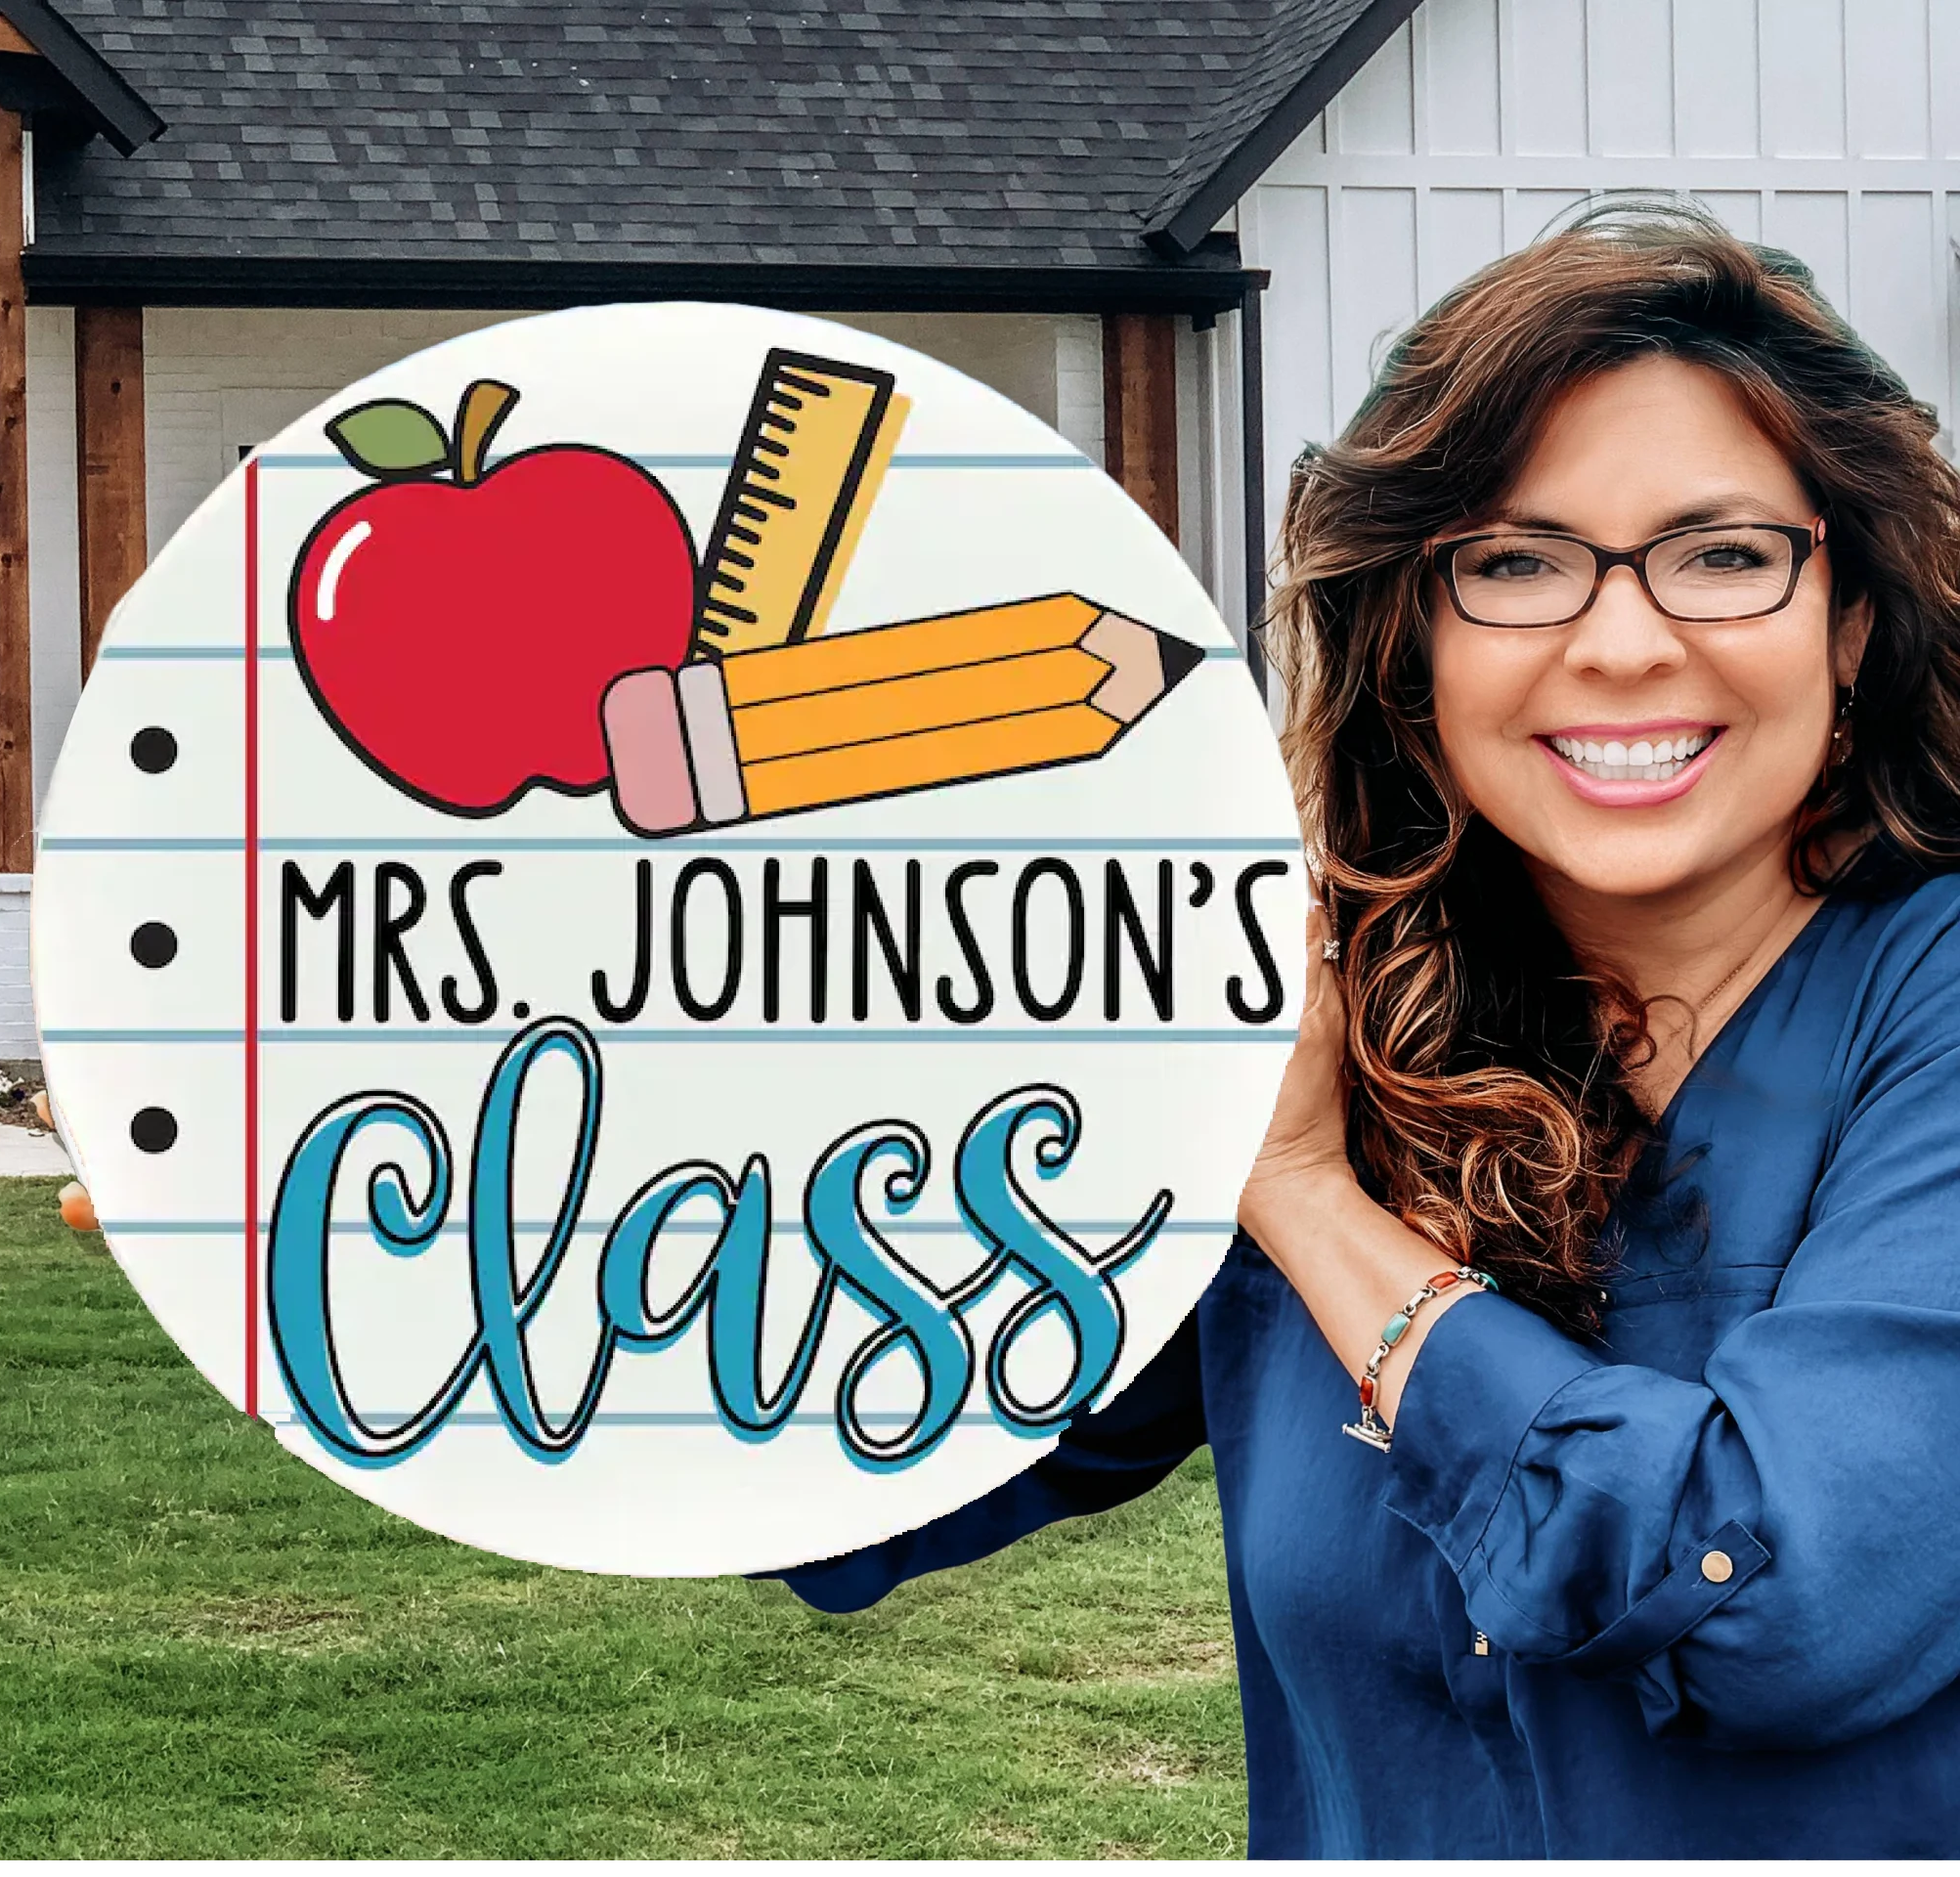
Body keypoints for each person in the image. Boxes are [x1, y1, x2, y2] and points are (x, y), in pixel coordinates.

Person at [779, 202, 1960, 1857]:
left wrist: (1313, 1203)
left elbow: (1778, 1604)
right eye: (1518, 563)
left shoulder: (1926, 1012)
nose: (1622, 643)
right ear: (1416, 641)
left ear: (1850, 621)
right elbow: (858, 1452)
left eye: (1723, 553)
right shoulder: (1337, 1014)